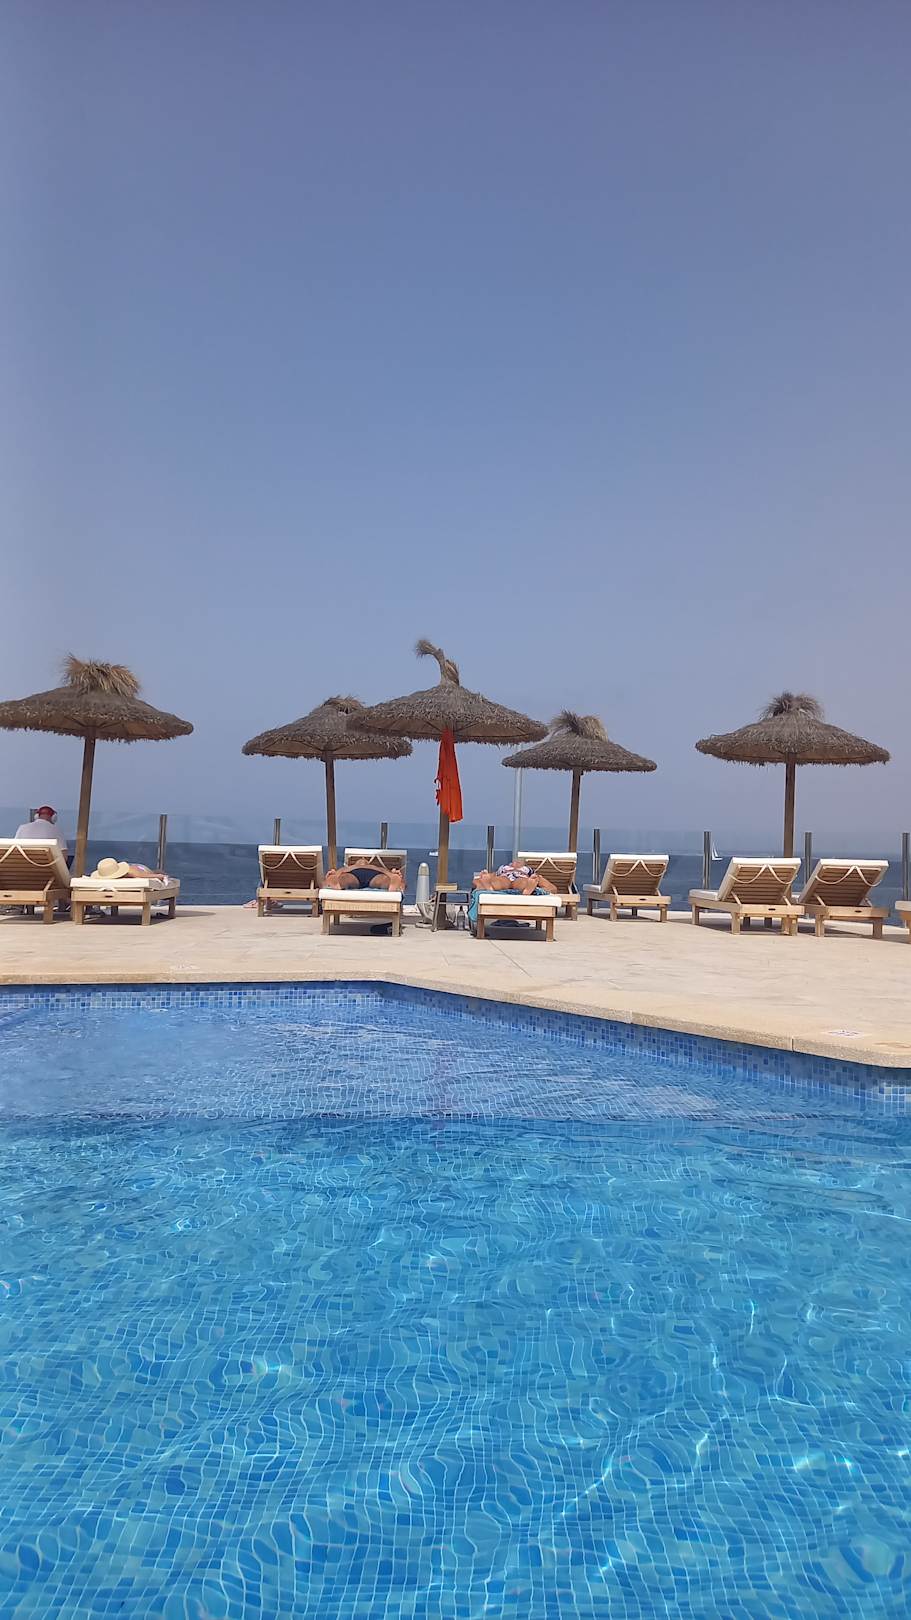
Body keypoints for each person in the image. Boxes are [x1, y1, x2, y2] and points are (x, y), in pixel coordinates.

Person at [471, 860, 557, 896]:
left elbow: (553, 889)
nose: (515, 862)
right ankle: (489, 888)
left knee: (522, 882)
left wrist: (538, 884)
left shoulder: (529, 872)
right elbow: (476, 881)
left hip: (521, 878)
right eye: (513, 862)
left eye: (519, 862)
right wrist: (481, 881)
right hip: (504, 877)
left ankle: (528, 890)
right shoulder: (503, 869)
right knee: (500, 881)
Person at [323, 859, 405, 893]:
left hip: (358, 875)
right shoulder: (348, 868)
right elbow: (337, 874)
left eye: (364, 860)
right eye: (360, 860)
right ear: (356, 863)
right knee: (344, 877)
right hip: (368, 875)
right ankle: (338, 885)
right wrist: (332, 875)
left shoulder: (376, 867)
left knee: (385, 878)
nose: (363, 860)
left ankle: (392, 885)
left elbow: (388, 874)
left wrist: (394, 874)